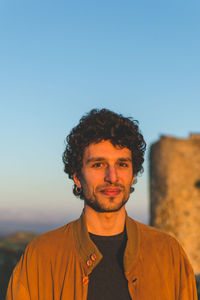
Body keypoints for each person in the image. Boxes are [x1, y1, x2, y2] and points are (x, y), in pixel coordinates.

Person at [6, 109, 197, 300]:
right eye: (98, 164)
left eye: (122, 164)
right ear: (77, 177)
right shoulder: (41, 256)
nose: (112, 177)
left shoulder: (168, 253)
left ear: (132, 176)